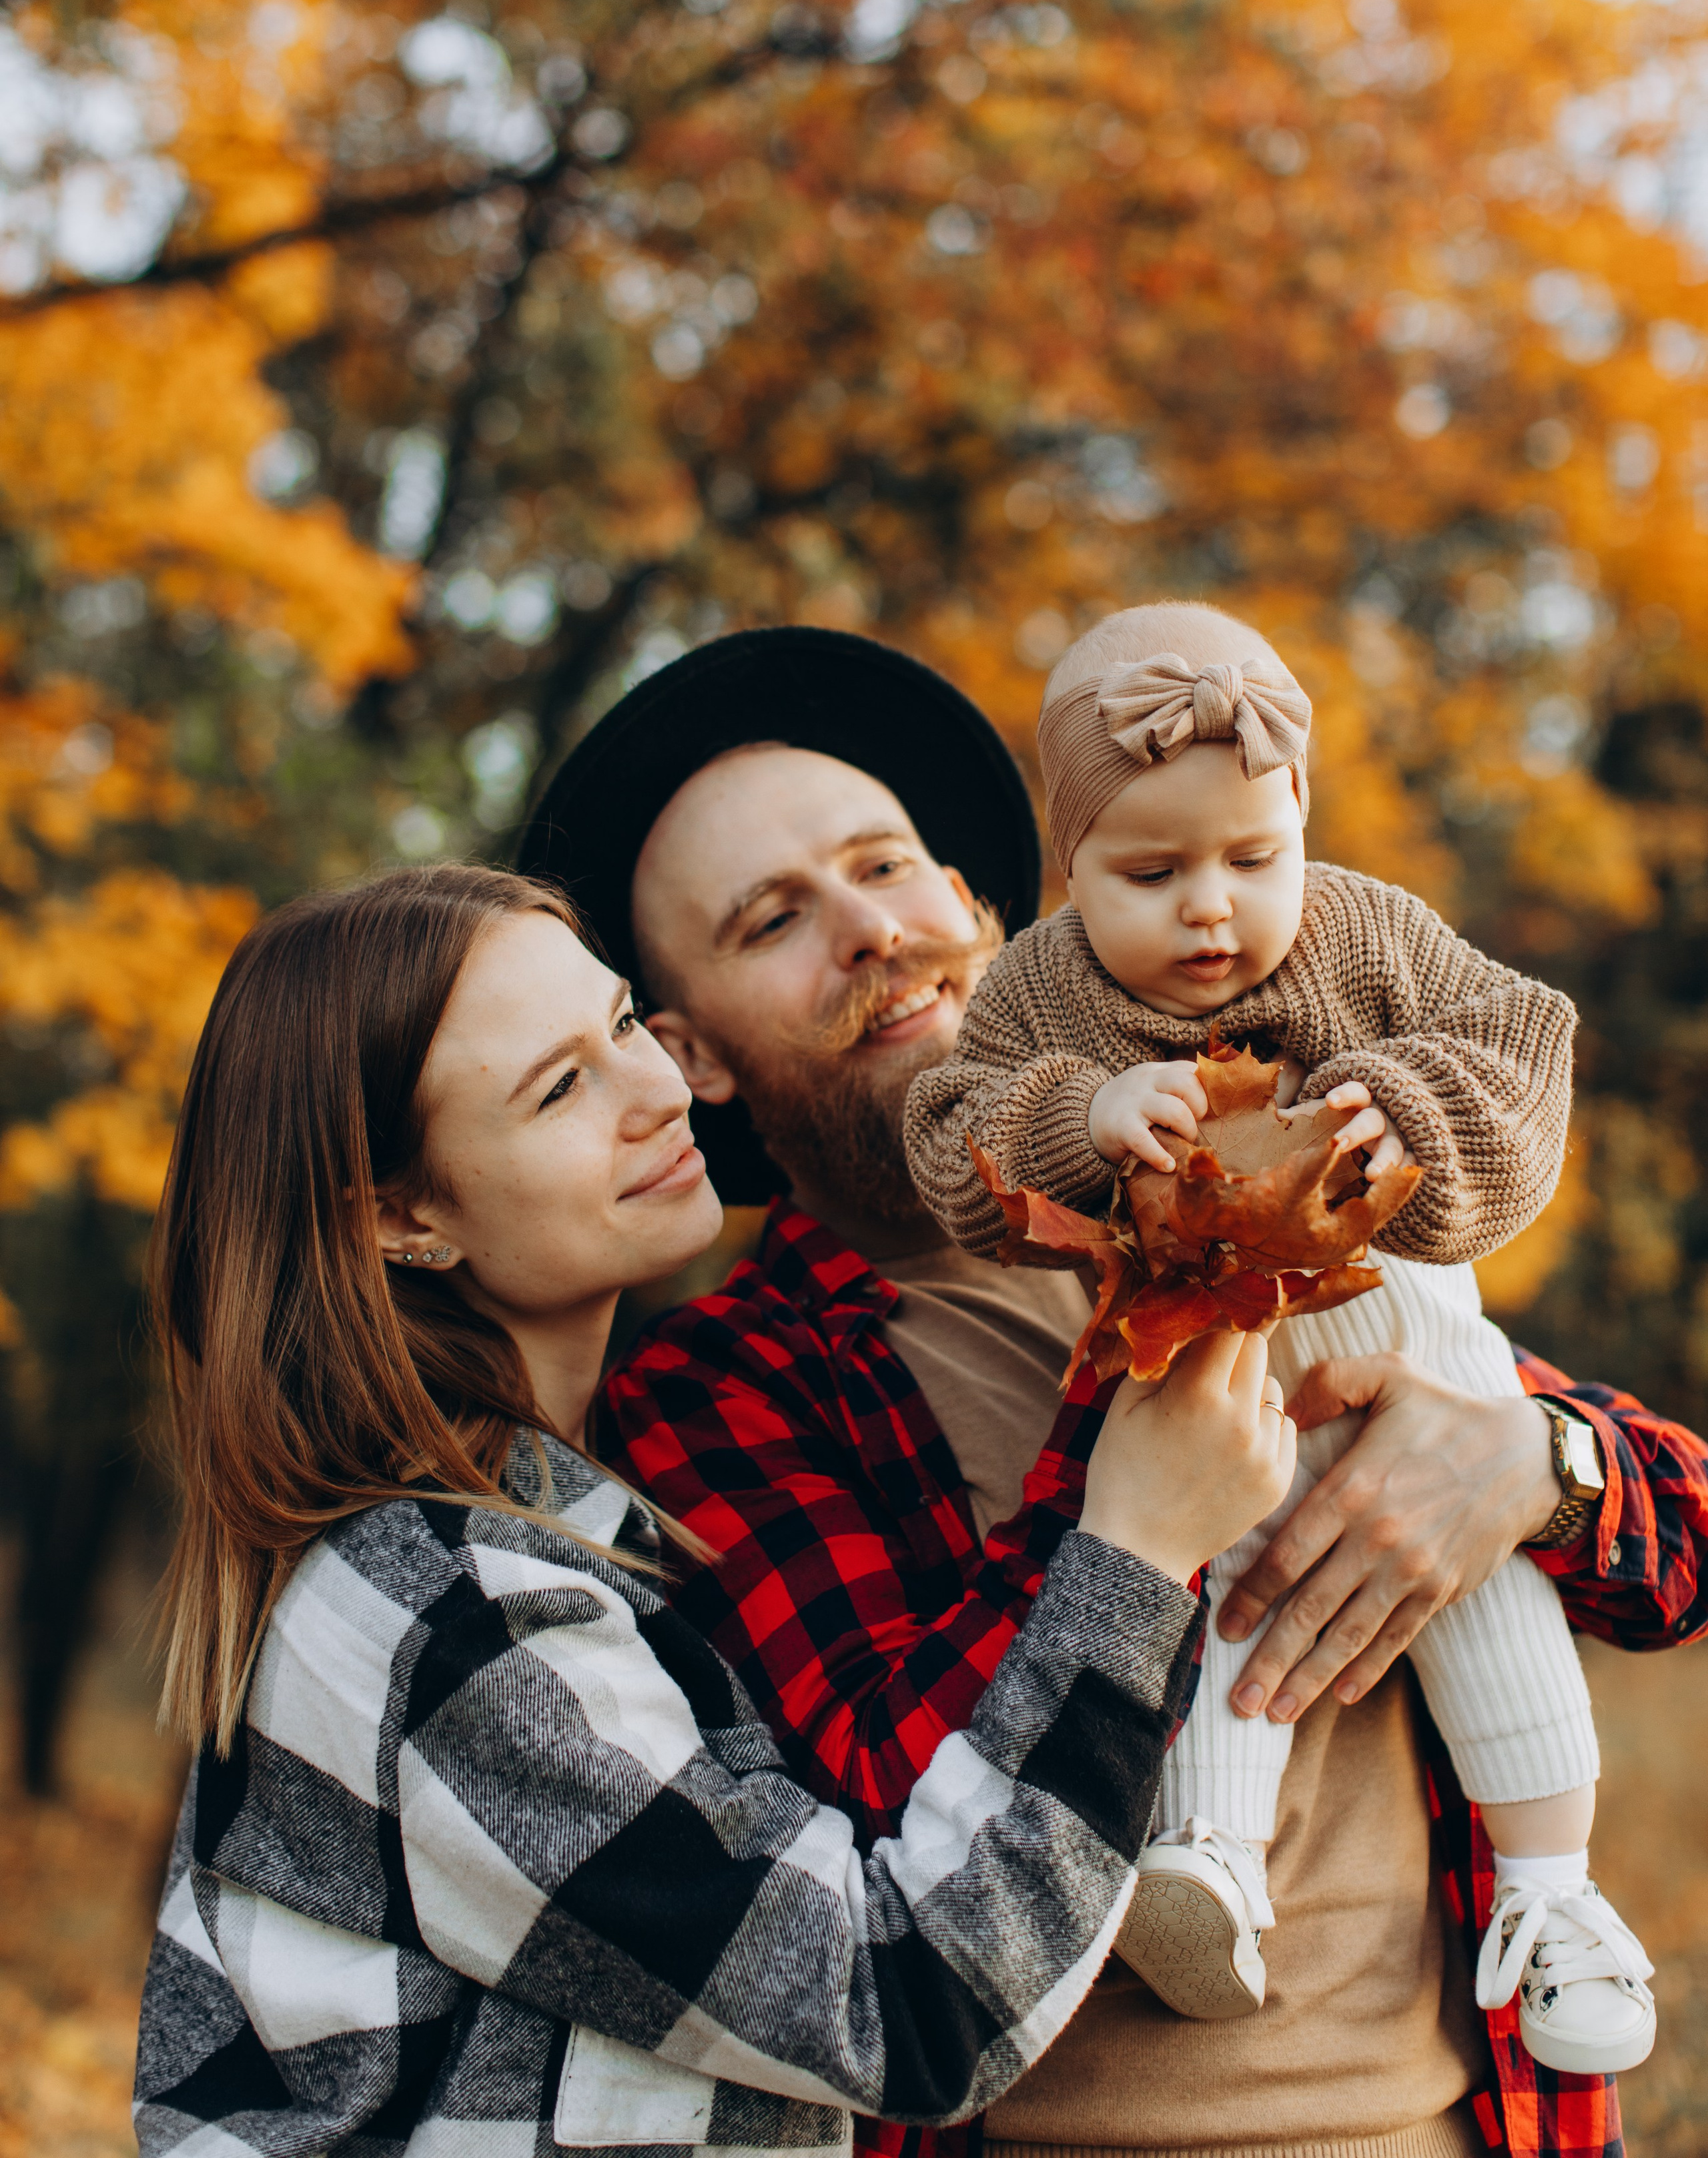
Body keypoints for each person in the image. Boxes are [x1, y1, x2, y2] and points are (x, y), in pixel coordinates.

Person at [541, 624, 1708, 2158]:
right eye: (771, 920)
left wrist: (1534, 1470)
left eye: (883, 867)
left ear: (973, 901)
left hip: (1470, 2123)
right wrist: (1133, 1488)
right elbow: (875, 1814)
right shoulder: (718, 1390)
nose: (868, 933)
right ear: (689, 1051)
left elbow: (1675, 1548)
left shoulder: (1276, 1147)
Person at [133, 861, 1294, 2156]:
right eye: (561, 1086)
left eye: (624, 1025)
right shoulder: (447, 1612)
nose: (656, 1090)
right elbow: (904, 2006)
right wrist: (1132, 1548)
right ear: (402, 1217)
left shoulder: (563, 1539)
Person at [902, 599, 1652, 2072]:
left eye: (1252, 859)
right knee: (1222, 1588)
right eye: (1150, 870)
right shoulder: (1042, 987)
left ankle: (1553, 1895)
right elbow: (954, 1132)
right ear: (1067, 870)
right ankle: (1210, 1861)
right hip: (1203, 1358)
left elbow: (1522, 1036)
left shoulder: (1369, 932)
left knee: (1479, 1592)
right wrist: (1082, 1117)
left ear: (1299, 818)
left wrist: (1412, 1106)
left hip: (1405, 1343)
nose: (1208, 907)